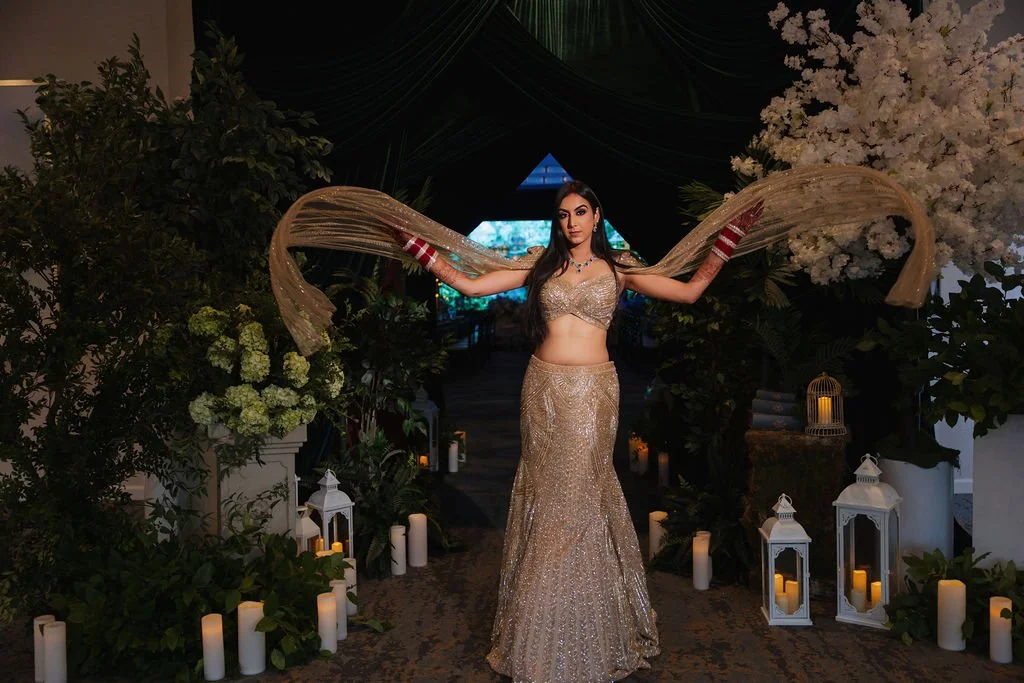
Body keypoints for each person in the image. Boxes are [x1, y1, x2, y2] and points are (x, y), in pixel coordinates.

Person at [392, 180, 763, 682]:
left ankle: (588, 629)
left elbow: (690, 291)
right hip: (541, 389)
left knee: (581, 494)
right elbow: (470, 286)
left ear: (597, 216)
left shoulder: (620, 270)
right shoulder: (540, 266)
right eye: (564, 214)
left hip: (592, 395)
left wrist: (728, 242)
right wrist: (415, 247)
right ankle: (539, 633)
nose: (571, 222)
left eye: (580, 212)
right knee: (546, 496)